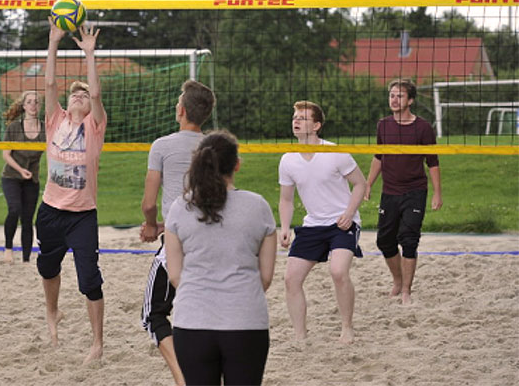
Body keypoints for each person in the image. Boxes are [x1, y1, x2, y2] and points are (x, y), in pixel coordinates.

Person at [164, 130, 277, 386]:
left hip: (192, 322)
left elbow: (174, 275)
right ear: (236, 164)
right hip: (245, 320)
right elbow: (266, 277)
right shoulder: (257, 206)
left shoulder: (180, 208)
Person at [37, 22, 107, 363]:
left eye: (83, 95)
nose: (79, 96)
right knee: (48, 268)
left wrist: (89, 53)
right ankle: (53, 312)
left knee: (89, 280)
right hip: (50, 210)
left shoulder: (94, 125)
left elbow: (95, 94)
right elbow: (49, 82)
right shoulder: (55, 120)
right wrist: (53, 42)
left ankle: (97, 343)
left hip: (82, 216)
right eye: (73, 94)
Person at [139, 79, 216, 386]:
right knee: (202, 312)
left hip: (178, 241)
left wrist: (150, 224)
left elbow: (148, 203)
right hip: (211, 237)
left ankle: (184, 379)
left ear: (181, 110)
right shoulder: (214, 147)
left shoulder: (162, 145)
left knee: (153, 315)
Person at [278, 101, 368, 344]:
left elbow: (361, 184)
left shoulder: (335, 152)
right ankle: (300, 335)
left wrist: (349, 213)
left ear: (316, 125)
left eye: (303, 118)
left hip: (342, 222)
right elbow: (286, 200)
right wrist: (285, 227)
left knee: (338, 271)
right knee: (290, 279)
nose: (296, 121)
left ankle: (347, 327)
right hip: (312, 225)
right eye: (295, 117)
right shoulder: (288, 159)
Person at [365, 78, 442, 305]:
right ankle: (397, 281)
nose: (394, 99)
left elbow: (433, 162)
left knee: (409, 240)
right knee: (384, 241)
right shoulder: (383, 125)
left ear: (410, 100)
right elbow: (379, 157)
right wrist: (369, 183)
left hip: (414, 191)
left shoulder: (423, 128)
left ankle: (406, 289)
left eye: (399, 95)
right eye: (391, 95)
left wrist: (437, 193)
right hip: (390, 191)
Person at [0, 90, 45, 263]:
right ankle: (8, 248)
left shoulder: (45, 129)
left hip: (31, 180)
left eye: (36, 102)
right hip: (11, 176)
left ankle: (26, 259)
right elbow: (6, 155)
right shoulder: (14, 127)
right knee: (14, 209)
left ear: (40, 106)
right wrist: (21, 170)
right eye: (30, 102)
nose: (33, 105)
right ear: (24, 106)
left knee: (28, 218)